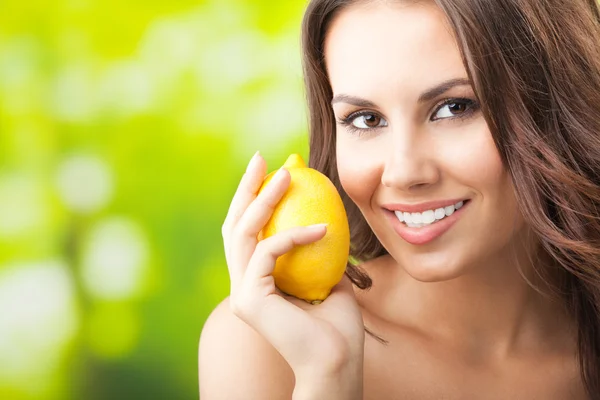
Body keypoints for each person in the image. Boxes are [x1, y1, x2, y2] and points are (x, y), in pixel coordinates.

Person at [199, 0, 600, 398]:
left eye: (454, 107)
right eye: (366, 119)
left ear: (556, 106)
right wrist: (329, 379)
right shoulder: (263, 348)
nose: (404, 173)